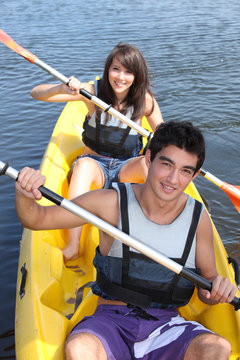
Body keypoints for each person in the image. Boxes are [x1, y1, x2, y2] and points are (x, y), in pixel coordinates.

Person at [15, 121, 236, 360]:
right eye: (166, 164)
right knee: (80, 349)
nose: (173, 179)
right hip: (110, 322)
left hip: (167, 325)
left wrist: (217, 290)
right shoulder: (109, 203)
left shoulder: (198, 218)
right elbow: (37, 218)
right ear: (149, 158)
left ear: (193, 175)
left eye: (185, 171)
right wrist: (25, 194)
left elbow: (207, 285)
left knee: (217, 348)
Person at [30, 42, 164, 261]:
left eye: (128, 72)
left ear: (137, 76)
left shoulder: (145, 101)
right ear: (108, 70)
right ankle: (73, 245)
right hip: (94, 164)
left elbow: (162, 132)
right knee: (83, 166)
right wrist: (61, 88)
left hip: (126, 167)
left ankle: (155, 236)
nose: (121, 77)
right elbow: (36, 93)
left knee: (147, 165)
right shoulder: (92, 92)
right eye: (116, 69)